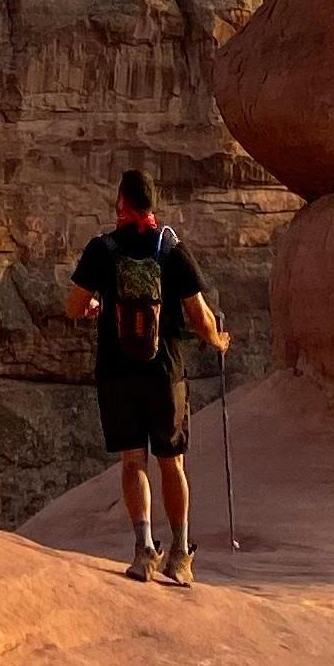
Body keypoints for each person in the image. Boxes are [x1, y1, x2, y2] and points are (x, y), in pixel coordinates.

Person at [65, 165, 226, 584]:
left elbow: (72, 305)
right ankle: (181, 555)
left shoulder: (102, 249)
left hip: (118, 371)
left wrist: (96, 307)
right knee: (172, 463)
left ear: (121, 202)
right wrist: (218, 341)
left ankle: (143, 551)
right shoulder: (171, 249)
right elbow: (199, 315)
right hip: (166, 372)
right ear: (152, 205)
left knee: (133, 460)